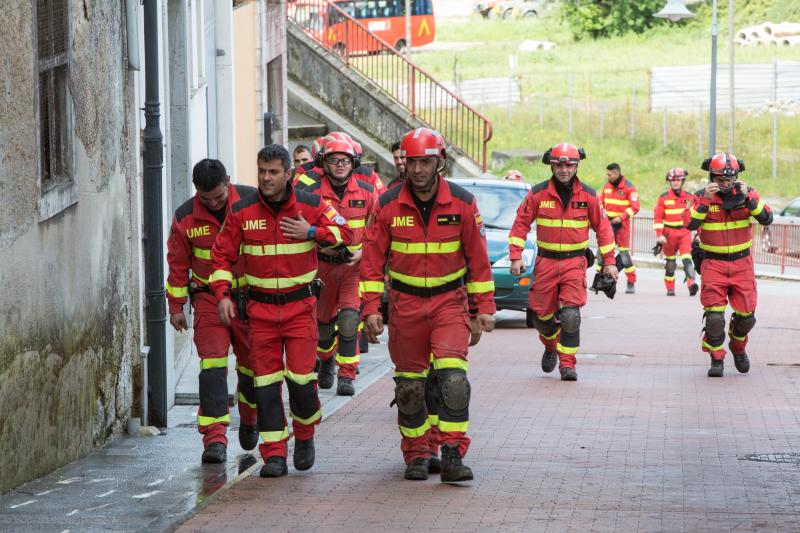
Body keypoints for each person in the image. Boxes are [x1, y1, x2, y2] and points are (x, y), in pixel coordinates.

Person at [360, 127, 496, 482]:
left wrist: (484, 308)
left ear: (439, 163)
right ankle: (418, 453)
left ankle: (452, 454)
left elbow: (478, 259)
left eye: (425, 162)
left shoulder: (463, 203)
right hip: (405, 306)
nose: (418, 169)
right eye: (412, 162)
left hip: (449, 304)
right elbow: (372, 261)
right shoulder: (387, 204)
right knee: (410, 388)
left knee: (452, 381)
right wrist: (371, 308)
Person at [210, 144, 353, 477]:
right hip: (259, 313)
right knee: (266, 385)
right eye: (261, 171)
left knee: (302, 382)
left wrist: (312, 232)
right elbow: (221, 256)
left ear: (289, 174)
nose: (266, 177)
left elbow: (349, 234)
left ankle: (305, 435)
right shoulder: (242, 211)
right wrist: (223, 294)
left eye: (273, 171)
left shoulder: (312, 204)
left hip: (300, 310)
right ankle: (274, 453)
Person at [166, 159, 258, 463]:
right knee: (213, 369)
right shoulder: (185, 217)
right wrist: (176, 306)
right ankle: (215, 439)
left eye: (220, 197)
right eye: (207, 200)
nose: (215, 203)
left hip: (249, 299)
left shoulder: (251, 202)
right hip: (207, 300)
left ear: (228, 182)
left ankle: (250, 419)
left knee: (252, 368)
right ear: (196, 192)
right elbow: (178, 264)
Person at [508, 143, 618, 381]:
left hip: (574, 263)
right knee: (541, 318)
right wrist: (515, 255)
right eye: (559, 165)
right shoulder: (537, 194)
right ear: (552, 165)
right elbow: (520, 225)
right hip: (545, 263)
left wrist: (609, 262)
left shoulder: (589, 195)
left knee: (570, 315)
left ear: (577, 166)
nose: (564, 170)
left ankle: (568, 364)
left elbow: (604, 229)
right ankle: (550, 344)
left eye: (569, 165)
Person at [295, 139, 378, 396]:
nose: (340, 165)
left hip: (353, 269)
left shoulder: (366, 190)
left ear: (353, 163)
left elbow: (378, 230)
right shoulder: (312, 191)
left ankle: (347, 376)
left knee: (350, 319)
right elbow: (298, 225)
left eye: (344, 160)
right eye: (333, 160)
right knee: (323, 327)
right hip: (322, 267)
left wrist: (364, 250)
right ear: (324, 164)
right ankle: (327, 359)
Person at [684, 153, 772, 378]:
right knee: (714, 318)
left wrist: (748, 197)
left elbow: (767, 217)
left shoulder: (747, 193)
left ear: (736, 178)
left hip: (742, 264)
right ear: (712, 177)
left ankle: (738, 347)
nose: (725, 184)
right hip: (714, 264)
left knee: (746, 318)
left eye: (729, 180)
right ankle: (716, 357)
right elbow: (689, 223)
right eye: (720, 179)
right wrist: (705, 199)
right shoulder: (701, 197)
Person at [654, 168, 699, 296]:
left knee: (687, 260)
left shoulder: (690, 197)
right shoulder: (663, 198)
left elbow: (697, 215)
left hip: (684, 233)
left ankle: (692, 284)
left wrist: (699, 234)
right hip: (668, 234)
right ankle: (670, 288)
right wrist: (659, 235)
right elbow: (658, 217)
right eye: (673, 180)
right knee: (670, 264)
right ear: (669, 182)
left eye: (678, 180)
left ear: (682, 181)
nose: (675, 183)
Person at [598, 163, 640, 293]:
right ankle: (599, 280)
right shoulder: (606, 187)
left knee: (624, 255)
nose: (607, 176)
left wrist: (621, 217)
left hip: (622, 225)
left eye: (609, 174)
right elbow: (600, 204)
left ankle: (631, 282)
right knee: (602, 253)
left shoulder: (629, 188)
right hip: (608, 225)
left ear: (616, 174)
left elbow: (635, 207)